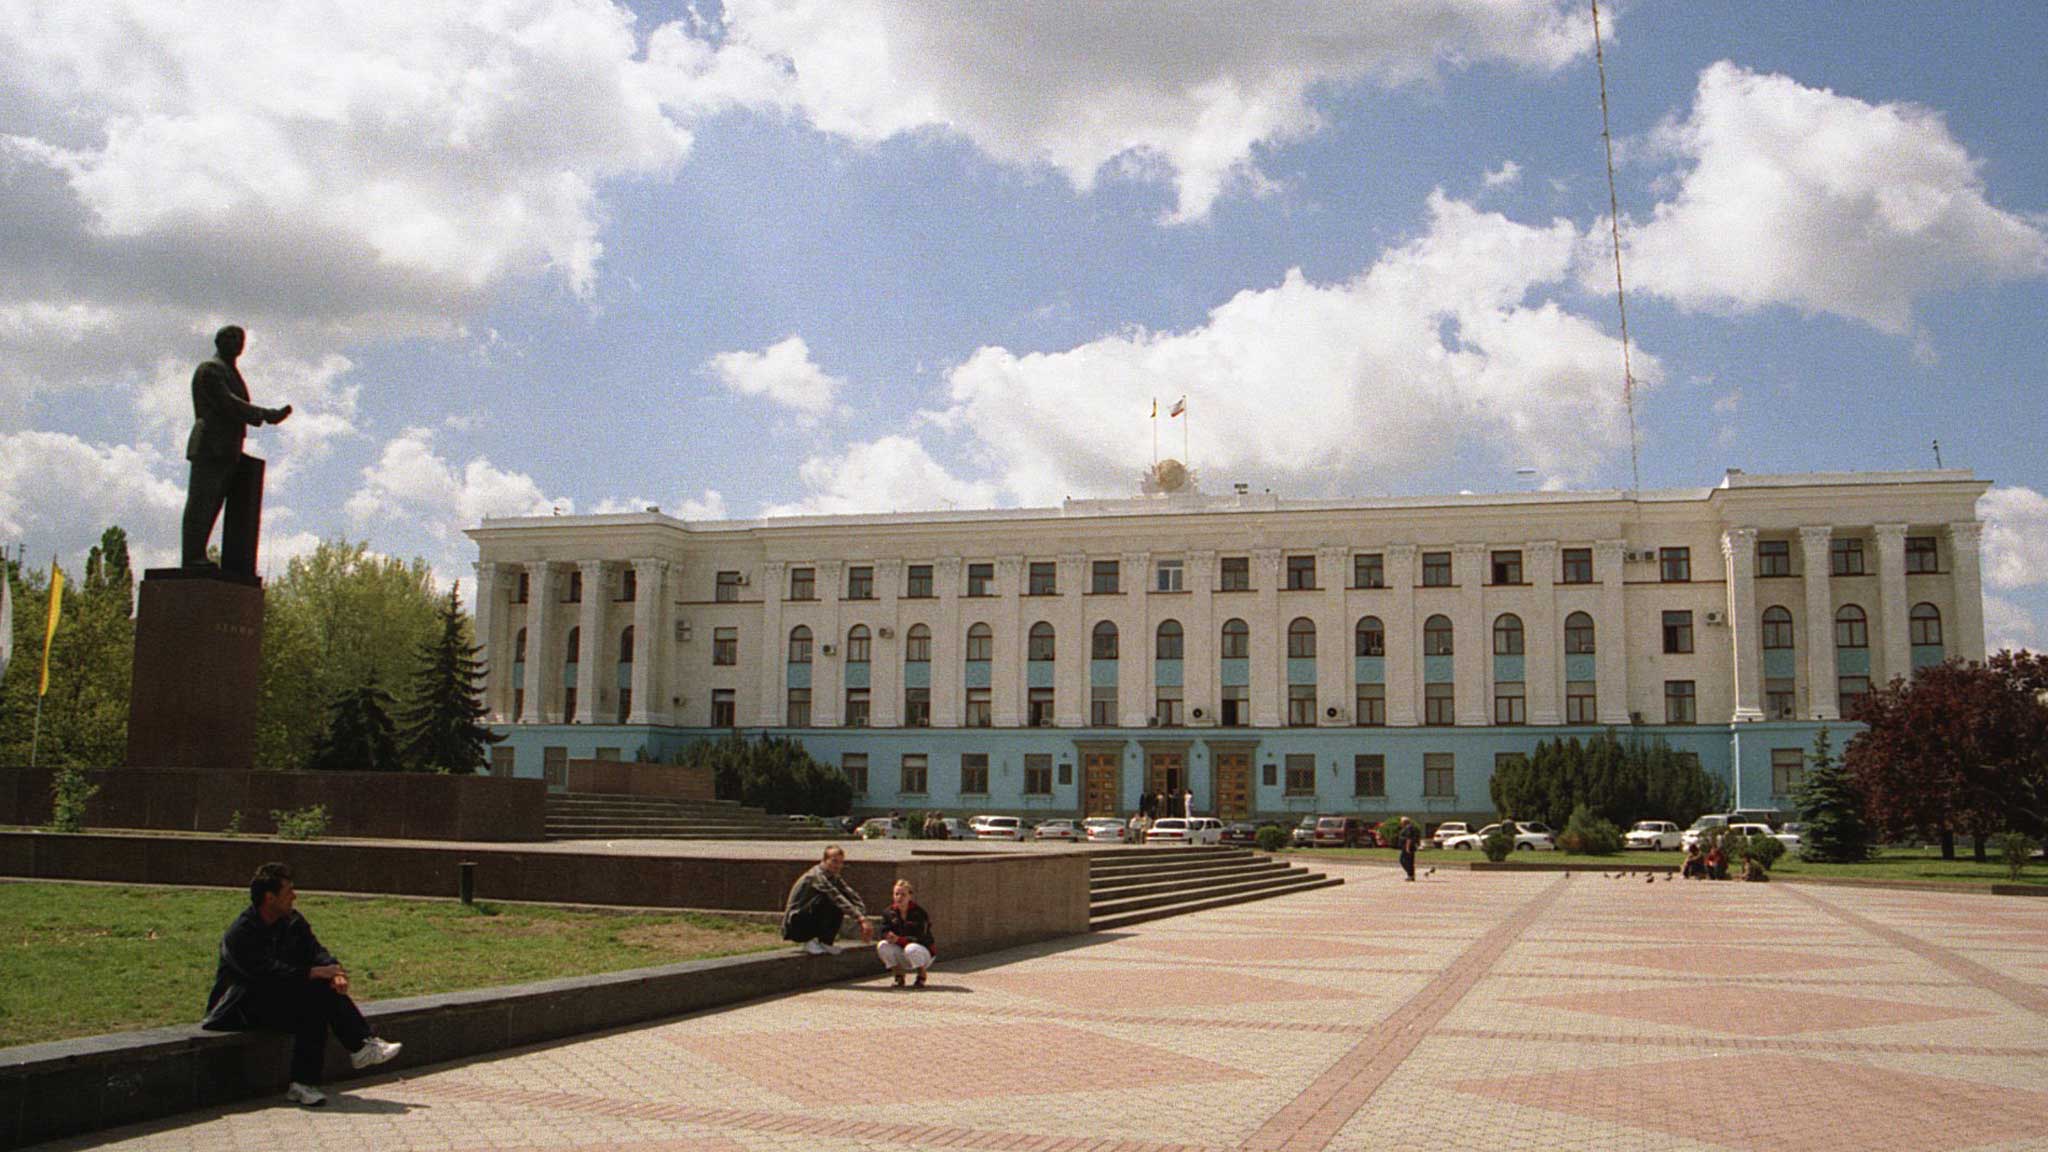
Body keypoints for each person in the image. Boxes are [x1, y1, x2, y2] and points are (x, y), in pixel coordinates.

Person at [201, 863, 401, 1108]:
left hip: (275, 998)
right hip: (239, 1008)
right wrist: (313, 973)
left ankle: (304, 1084)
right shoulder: (241, 933)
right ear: (270, 897)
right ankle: (359, 1046)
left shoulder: (292, 921)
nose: (294, 896)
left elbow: (315, 951)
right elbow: (265, 974)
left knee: (317, 1000)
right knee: (315, 992)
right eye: (288, 891)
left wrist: (335, 972)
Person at [181, 325, 291, 568]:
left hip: (228, 448)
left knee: (214, 504)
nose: (237, 343)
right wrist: (265, 414)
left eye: (240, 339)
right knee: (202, 502)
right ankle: (192, 557)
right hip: (211, 445)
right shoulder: (210, 369)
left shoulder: (231, 372)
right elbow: (228, 403)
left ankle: (201, 557)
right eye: (231, 338)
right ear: (218, 341)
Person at [782, 845, 874, 954]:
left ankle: (825, 942)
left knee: (840, 901)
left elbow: (851, 894)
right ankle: (809, 940)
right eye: (834, 861)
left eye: (841, 862)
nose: (838, 866)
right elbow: (835, 896)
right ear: (824, 860)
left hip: (806, 918)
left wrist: (864, 917)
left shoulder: (834, 876)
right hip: (795, 924)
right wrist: (860, 919)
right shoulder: (816, 876)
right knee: (828, 899)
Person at [877, 879, 935, 988]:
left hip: (922, 952)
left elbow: (922, 938)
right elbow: (882, 930)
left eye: (903, 894)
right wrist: (887, 935)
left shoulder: (919, 913)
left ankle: (921, 975)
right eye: (896, 894)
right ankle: (899, 976)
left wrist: (900, 940)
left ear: (910, 896)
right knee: (882, 946)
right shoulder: (888, 912)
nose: (899, 897)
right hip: (902, 952)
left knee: (911, 948)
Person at [1394, 815, 1422, 881]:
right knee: (1409, 862)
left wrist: (1407, 847)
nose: (1400, 823)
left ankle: (1410, 874)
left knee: (1403, 861)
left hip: (1407, 847)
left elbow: (1409, 838)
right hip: (1408, 847)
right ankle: (1411, 875)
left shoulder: (1408, 828)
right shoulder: (1408, 827)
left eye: (1401, 822)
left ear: (1404, 822)